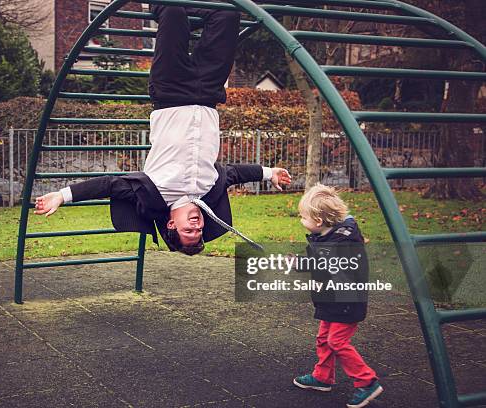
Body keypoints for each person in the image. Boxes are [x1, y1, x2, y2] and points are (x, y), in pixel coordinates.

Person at [34, 5, 291, 255]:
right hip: (209, 91)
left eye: (189, 232)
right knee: (227, 14)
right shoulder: (209, 190)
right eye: (200, 231)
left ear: (171, 224)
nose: (197, 226)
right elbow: (234, 173)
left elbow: (107, 185)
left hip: (171, 90)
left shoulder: (153, 191)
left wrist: (62, 196)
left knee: (173, 10)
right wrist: (271, 173)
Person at [292, 184, 383, 408]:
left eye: (303, 217)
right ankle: (322, 377)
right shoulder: (325, 237)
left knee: (337, 341)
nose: (301, 220)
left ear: (319, 221)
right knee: (323, 339)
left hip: (347, 303)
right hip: (331, 301)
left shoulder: (343, 243)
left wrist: (304, 263)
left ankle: (366, 381)